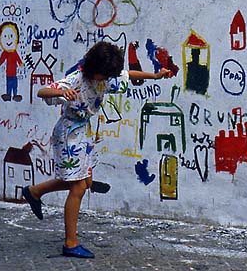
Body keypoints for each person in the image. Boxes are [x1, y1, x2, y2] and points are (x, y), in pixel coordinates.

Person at [22, 41, 170, 259]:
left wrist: (156, 76)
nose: (107, 79)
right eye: (104, 75)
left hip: (85, 134)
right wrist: (64, 91)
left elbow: (129, 75)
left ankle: (35, 192)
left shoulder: (106, 77)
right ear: (95, 69)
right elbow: (43, 92)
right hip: (68, 136)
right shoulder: (77, 79)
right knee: (79, 187)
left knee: (81, 181)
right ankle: (70, 243)